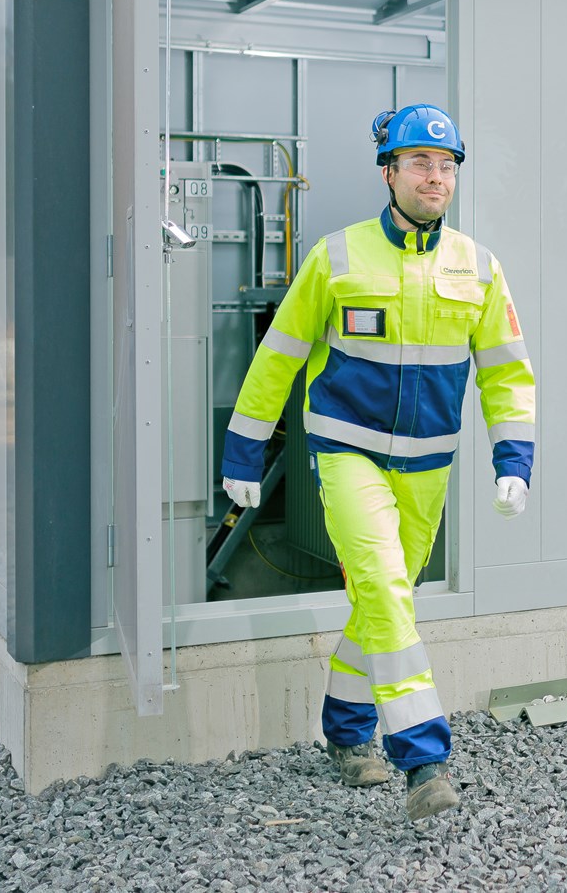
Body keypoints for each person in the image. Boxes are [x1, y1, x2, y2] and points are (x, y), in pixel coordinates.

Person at [218, 104, 535, 823]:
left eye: (447, 164)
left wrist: (512, 457)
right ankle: (422, 755)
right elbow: (280, 355)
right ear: (387, 171)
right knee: (386, 585)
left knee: (385, 599)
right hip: (347, 452)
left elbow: (507, 372)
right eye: (420, 162)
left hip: (427, 466)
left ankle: (345, 730)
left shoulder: (478, 267)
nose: (436, 176)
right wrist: (242, 446)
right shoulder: (336, 256)